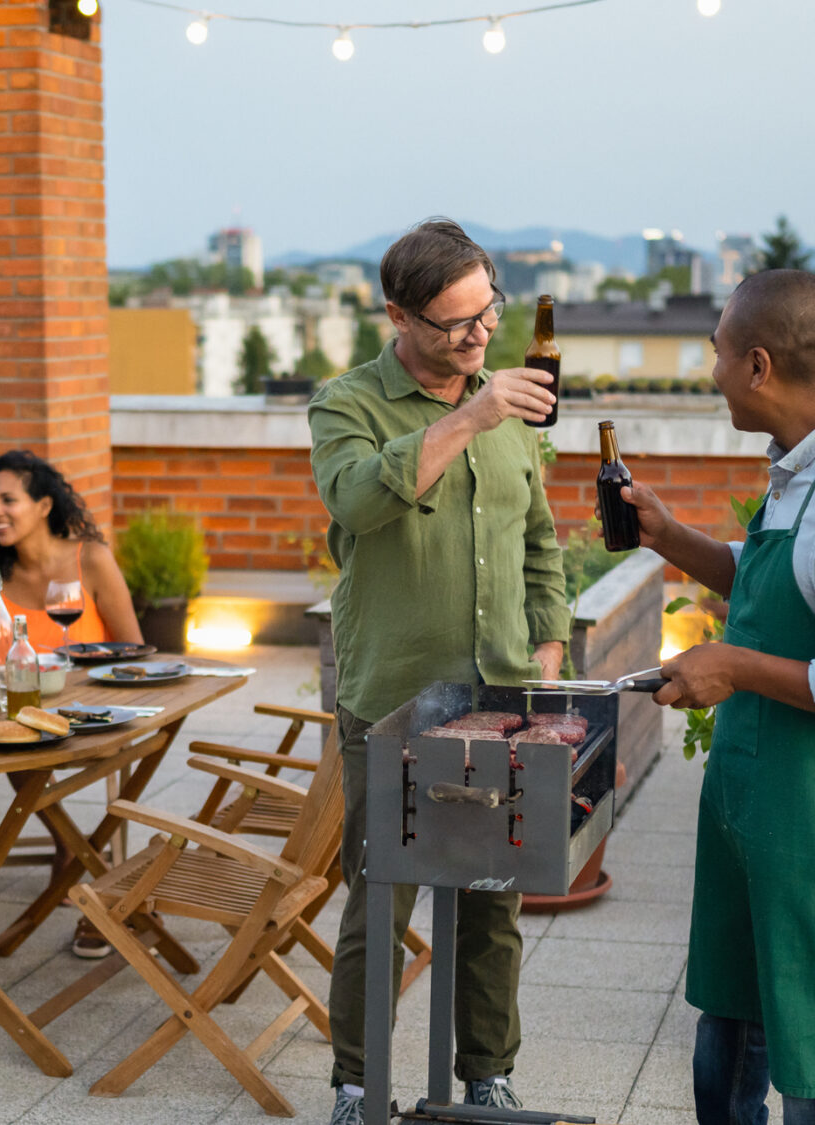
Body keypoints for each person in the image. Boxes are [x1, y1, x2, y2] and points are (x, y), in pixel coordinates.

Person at [623, 269, 815, 1124]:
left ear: (758, 365)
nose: (712, 372)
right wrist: (669, 536)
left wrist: (733, 667)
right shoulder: (808, 459)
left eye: (719, 354)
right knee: (726, 1050)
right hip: (759, 803)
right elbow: (778, 581)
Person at [309, 218, 570, 1124]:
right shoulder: (346, 404)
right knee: (380, 900)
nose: (480, 335)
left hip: (502, 692)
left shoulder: (512, 407)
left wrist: (549, 644)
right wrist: (469, 418)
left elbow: (538, 538)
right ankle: (356, 1084)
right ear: (399, 315)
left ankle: (487, 1074)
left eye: (487, 312)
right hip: (395, 698)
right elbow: (355, 501)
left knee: (496, 901)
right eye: (457, 322)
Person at [0, 450, 143, 949]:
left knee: (10, 729)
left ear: (43, 506)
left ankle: (44, 850)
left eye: (8, 500)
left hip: (89, 712)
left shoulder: (91, 560)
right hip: (20, 712)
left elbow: (133, 649)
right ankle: (35, 849)